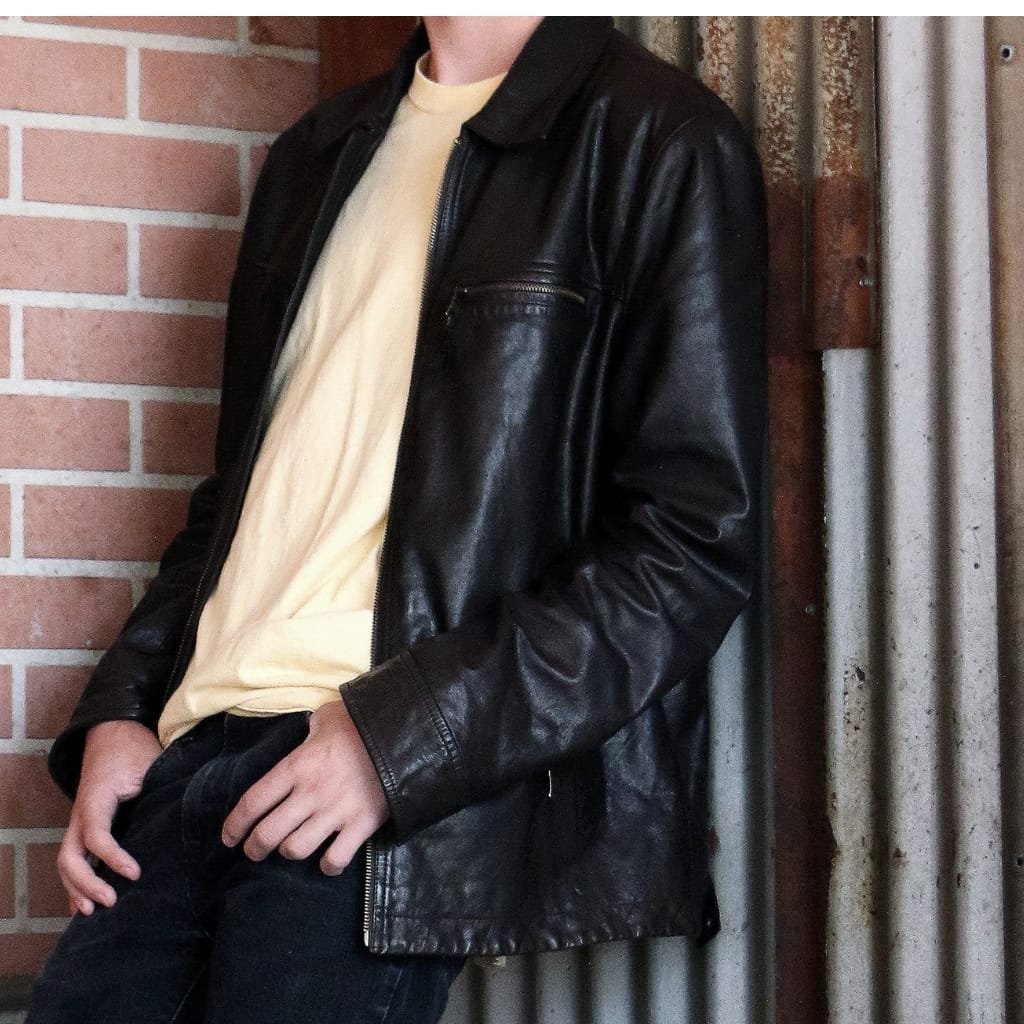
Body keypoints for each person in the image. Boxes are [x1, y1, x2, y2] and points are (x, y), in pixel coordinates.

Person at [29, 15, 766, 1024]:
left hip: (360, 776)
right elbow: (244, 495)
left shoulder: (653, 138)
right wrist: (121, 706)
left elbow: (688, 543)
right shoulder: (316, 156)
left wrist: (400, 742)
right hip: (186, 760)